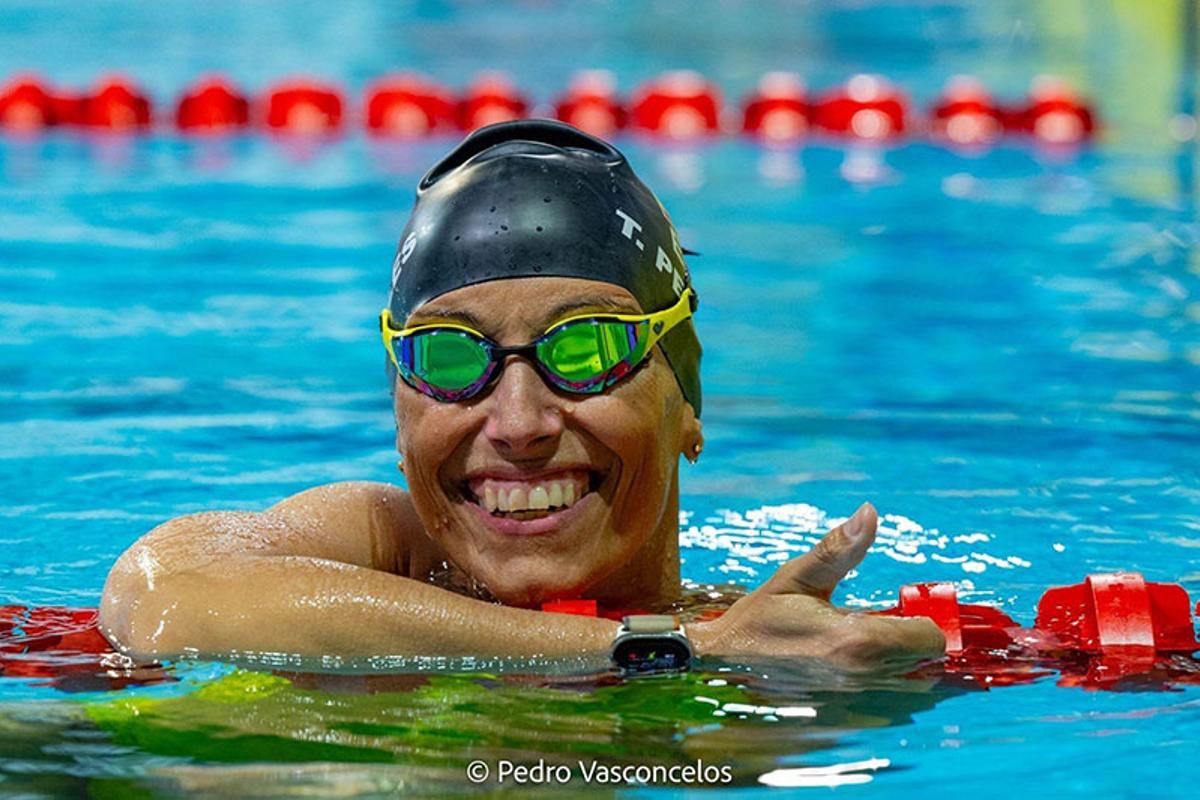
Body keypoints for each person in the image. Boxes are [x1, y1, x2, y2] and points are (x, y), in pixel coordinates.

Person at [99, 120, 943, 671]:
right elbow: (163, 597)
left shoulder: (797, 650)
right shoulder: (388, 550)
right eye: (449, 356)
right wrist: (661, 649)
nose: (519, 424)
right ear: (399, 418)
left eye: (589, 347)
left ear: (688, 400)